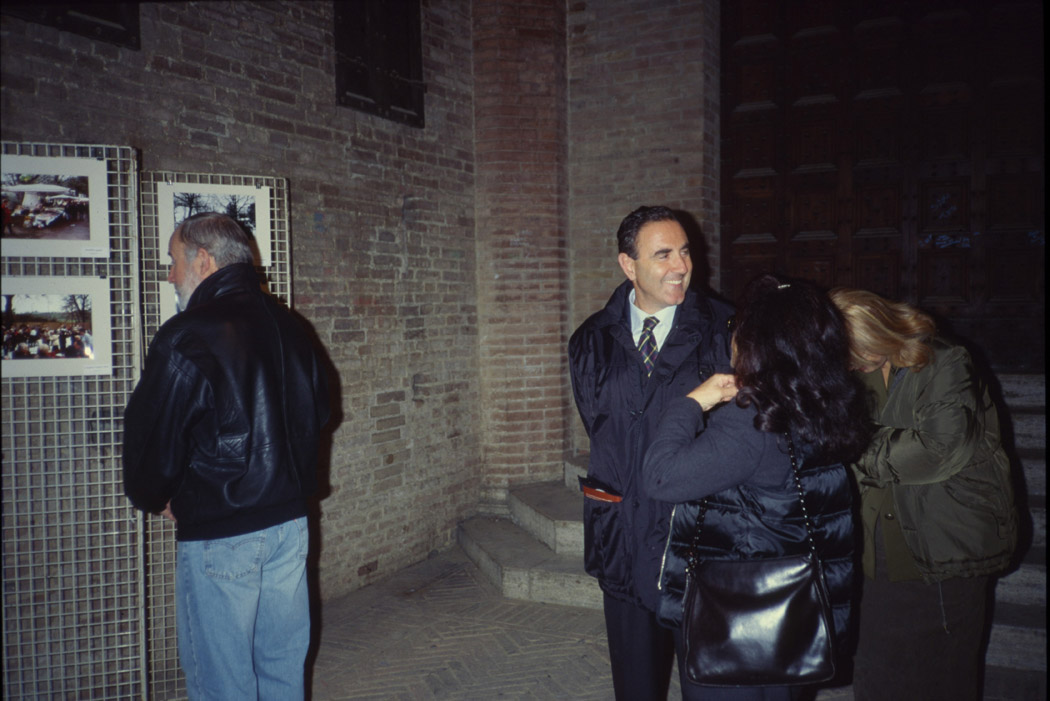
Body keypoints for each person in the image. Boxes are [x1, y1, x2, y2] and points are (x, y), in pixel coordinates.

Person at [123, 212, 330, 700]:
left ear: (204, 259)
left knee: (223, 683)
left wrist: (158, 496)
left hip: (223, 532)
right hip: (289, 527)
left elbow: (153, 438)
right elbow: (319, 414)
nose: (170, 274)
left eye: (173, 261)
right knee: (282, 668)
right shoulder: (292, 325)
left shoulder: (187, 334)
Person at [642, 274, 871, 700]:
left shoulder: (752, 421)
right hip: (797, 614)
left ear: (756, 345)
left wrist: (692, 403)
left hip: (740, 624)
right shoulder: (825, 399)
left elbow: (660, 476)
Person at [568, 205, 734, 699]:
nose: (680, 266)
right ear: (628, 265)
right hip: (623, 537)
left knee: (711, 684)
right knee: (635, 686)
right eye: (662, 254)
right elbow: (604, 430)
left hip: (699, 541)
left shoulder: (726, 330)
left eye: (685, 252)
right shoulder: (590, 341)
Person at [829, 288, 1018, 701]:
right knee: (877, 675)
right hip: (877, 555)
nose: (848, 364)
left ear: (881, 333)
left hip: (943, 546)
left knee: (943, 677)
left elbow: (939, 450)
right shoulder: (850, 372)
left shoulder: (945, 360)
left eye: (856, 351)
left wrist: (851, 443)